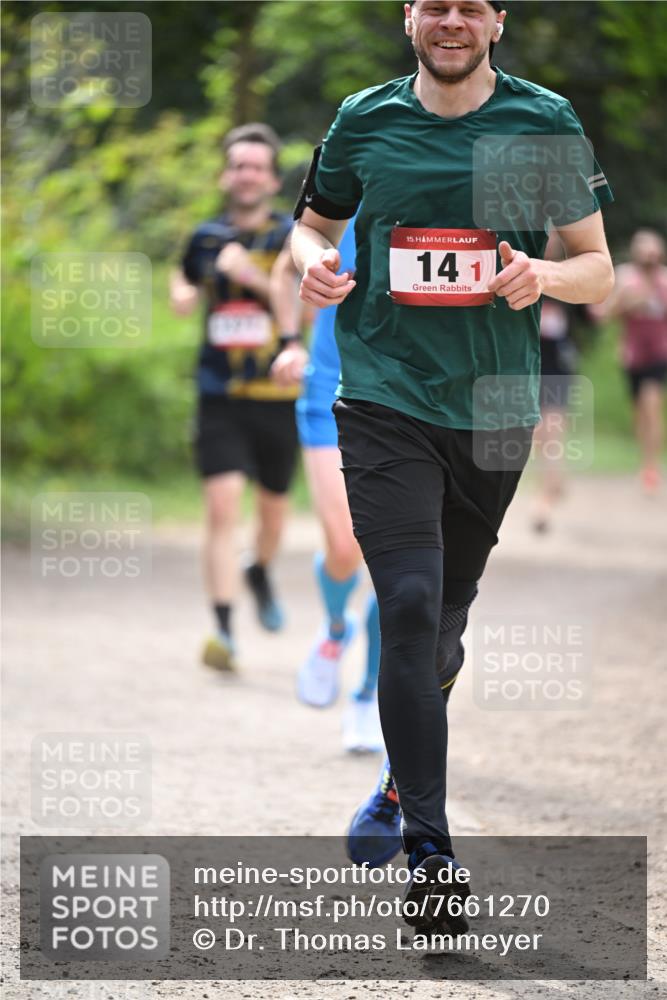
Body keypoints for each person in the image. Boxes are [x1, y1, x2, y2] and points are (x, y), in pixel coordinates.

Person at [291, 0, 614, 933]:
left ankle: (400, 780)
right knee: (407, 604)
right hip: (381, 398)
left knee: (441, 628)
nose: (451, 21)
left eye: (469, 6)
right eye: (435, 5)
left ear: (495, 22)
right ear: (409, 18)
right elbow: (309, 225)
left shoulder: (541, 121)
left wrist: (542, 276)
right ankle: (432, 857)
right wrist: (313, 261)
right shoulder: (364, 119)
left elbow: (596, 266)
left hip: (493, 409)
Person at [169, 124, 300, 671]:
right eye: (238, 165)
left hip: (279, 392)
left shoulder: (293, 237)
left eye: (257, 167)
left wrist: (247, 274)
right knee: (221, 506)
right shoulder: (205, 237)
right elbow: (182, 281)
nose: (246, 174)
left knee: (272, 516)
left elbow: (308, 309)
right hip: (218, 390)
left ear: (272, 180)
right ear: (226, 175)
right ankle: (223, 630)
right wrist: (184, 291)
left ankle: (260, 569)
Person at [271, 221, 385, 754]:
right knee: (344, 547)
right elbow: (283, 270)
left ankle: (368, 695)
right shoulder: (340, 196)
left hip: (412, 400)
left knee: (399, 565)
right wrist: (290, 341)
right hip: (329, 391)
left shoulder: (442, 190)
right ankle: (337, 628)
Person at [597, 229, 667, 494]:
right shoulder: (625, 277)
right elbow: (605, 314)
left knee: (652, 405)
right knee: (639, 411)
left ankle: (651, 466)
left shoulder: (665, 280)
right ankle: (645, 460)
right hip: (632, 355)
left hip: (659, 353)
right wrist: (629, 301)